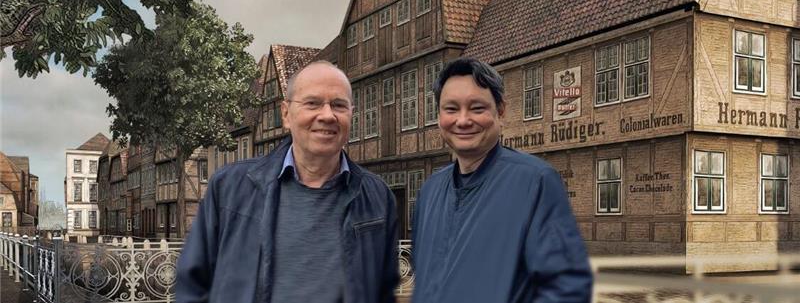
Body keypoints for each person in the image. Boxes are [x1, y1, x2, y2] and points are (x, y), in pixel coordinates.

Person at [176, 61, 399, 303]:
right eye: (312, 103)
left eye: (339, 105)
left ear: (351, 114)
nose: (327, 115)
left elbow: (384, 291)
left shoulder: (378, 196)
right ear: (286, 115)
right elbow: (192, 285)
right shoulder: (229, 188)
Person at [411, 58, 593, 303]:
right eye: (451, 109)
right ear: (439, 116)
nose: (463, 120)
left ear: (501, 110)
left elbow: (567, 288)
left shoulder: (534, 182)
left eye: (477, 108)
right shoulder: (429, 192)